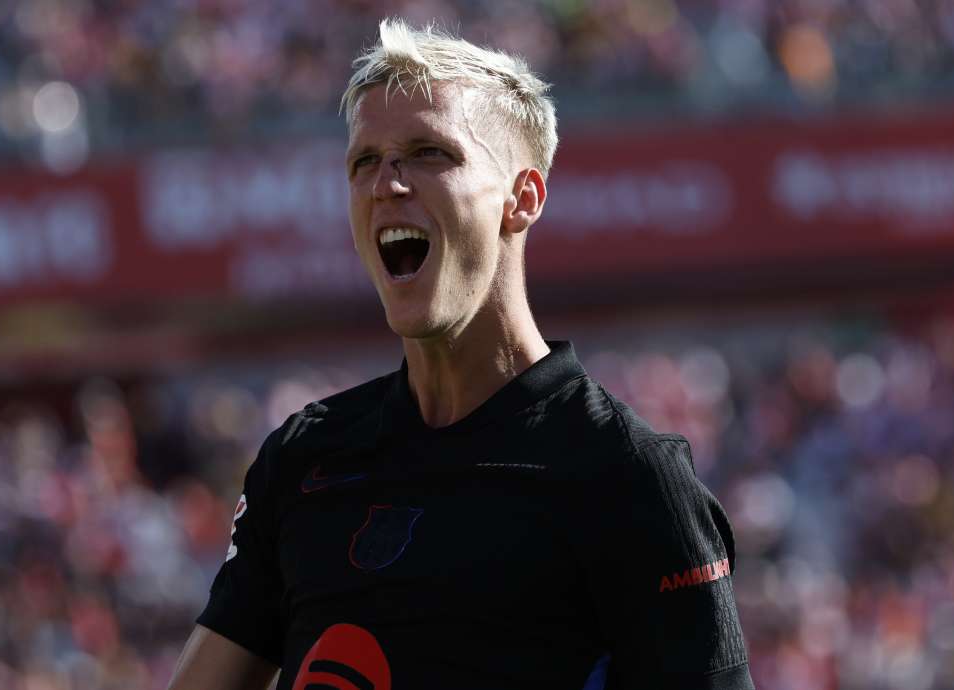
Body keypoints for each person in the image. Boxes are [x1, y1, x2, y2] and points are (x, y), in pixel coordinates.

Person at [167, 18, 753, 690]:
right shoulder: (304, 460)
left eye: (429, 153)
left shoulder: (629, 478)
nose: (387, 183)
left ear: (522, 198)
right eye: (365, 161)